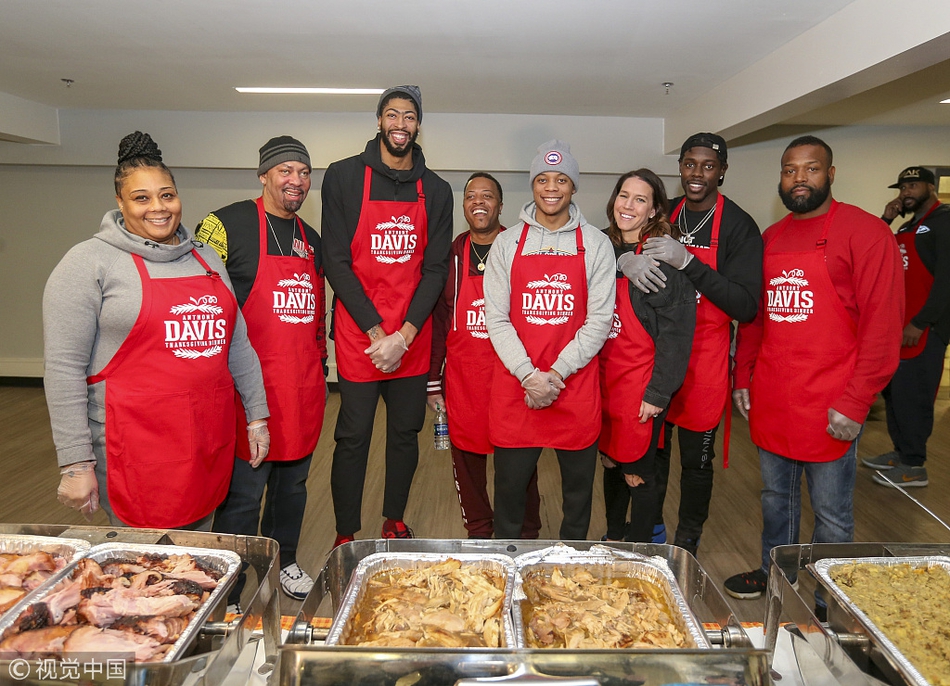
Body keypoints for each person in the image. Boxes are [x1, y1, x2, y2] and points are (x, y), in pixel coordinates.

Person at [45, 131, 270, 532]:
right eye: (142, 197)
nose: (158, 208)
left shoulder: (206, 258)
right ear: (120, 202)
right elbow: (63, 369)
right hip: (136, 447)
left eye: (167, 195)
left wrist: (256, 416)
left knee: (197, 553)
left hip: (206, 440)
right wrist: (76, 461)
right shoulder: (88, 263)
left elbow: (238, 344)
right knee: (144, 568)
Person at [724, 136, 903, 601]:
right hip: (775, 396)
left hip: (832, 401)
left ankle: (829, 600)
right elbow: (758, 318)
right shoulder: (772, 238)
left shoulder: (866, 233)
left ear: (831, 173)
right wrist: (743, 374)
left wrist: (857, 399)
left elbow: (882, 328)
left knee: (832, 513)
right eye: (789, 170)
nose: (799, 178)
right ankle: (775, 577)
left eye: (811, 168)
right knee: (775, 502)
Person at [195, 135, 327, 608]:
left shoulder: (311, 240)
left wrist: (320, 365)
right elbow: (203, 305)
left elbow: (317, 317)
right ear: (264, 174)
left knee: (292, 489)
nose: (297, 181)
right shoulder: (223, 225)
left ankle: (285, 558)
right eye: (286, 170)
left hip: (302, 390)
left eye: (304, 172)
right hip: (247, 392)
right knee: (245, 495)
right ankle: (228, 584)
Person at [619, 133, 762, 556]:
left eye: (707, 166)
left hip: (706, 359)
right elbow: (614, 241)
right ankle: (654, 529)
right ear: (679, 166)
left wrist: (690, 263)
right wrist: (624, 260)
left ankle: (688, 540)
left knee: (696, 462)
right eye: (689, 165)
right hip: (657, 355)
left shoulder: (739, 226)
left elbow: (746, 305)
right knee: (653, 453)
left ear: (722, 170)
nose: (696, 174)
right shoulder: (665, 213)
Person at [322, 85, 453, 546]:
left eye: (410, 116)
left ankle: (393, 519)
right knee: (352, 437)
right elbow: (335, 259)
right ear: (379, 121)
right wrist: (379, 332)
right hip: (362, 334)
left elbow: (436, 269)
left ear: (419, 125)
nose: (401, 124)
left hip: (412, 337)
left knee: (404, 434)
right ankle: (344, 532)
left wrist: (405, 335)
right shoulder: (342, 177)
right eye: (392, 115)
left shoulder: (435, 190)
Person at [484, 139, 615, 540]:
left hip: (572, 390)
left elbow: (599, 320)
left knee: (577, 501)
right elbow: (496, 318)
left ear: (574, 187)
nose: (552, 187)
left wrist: (553, 374)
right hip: (517, 391)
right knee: (508, 499)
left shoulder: (595, 243)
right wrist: (529, 375)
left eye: (561, 179)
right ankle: (509, 567)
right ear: (533, 186)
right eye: (542, 179)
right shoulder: (507, 244)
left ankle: (567, 576)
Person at [427, 174, 543, 538]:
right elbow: (440, 320)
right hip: (464, 378)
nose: (479, 202)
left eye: (487, 196)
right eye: (471, 196)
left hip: (511, 377)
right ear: (464, 206)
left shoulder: (521, 247)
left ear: (500, 205)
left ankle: (526, 535)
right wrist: (433, 382)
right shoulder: (450, 255)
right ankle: (479, 533)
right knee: (467, 464)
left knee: (520, 466)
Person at [599, 170, 695, 543]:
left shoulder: (661, 260)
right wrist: (621, 262)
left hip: (641, 385)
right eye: (624, 195)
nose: (628, 205)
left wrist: (658, 393)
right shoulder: (599, 245)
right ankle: (611, 538)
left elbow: (677, 333)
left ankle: (639, 554)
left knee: (637, 472)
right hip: (604, 380)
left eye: (640, 199)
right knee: (610, 463)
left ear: (655, 210)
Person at [863, 166, 950, 487]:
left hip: (922, 328)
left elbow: (946, 281)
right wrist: (886, 219)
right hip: (898, 327)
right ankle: (900, 453)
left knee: (914, 396)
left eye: (913, 186)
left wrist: (919, 322)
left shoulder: (944, 222)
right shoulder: (910, 224)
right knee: (896, 394)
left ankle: (915, 465)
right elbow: (874, 251)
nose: (906, 192)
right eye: (902, 188)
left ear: (930, 187)